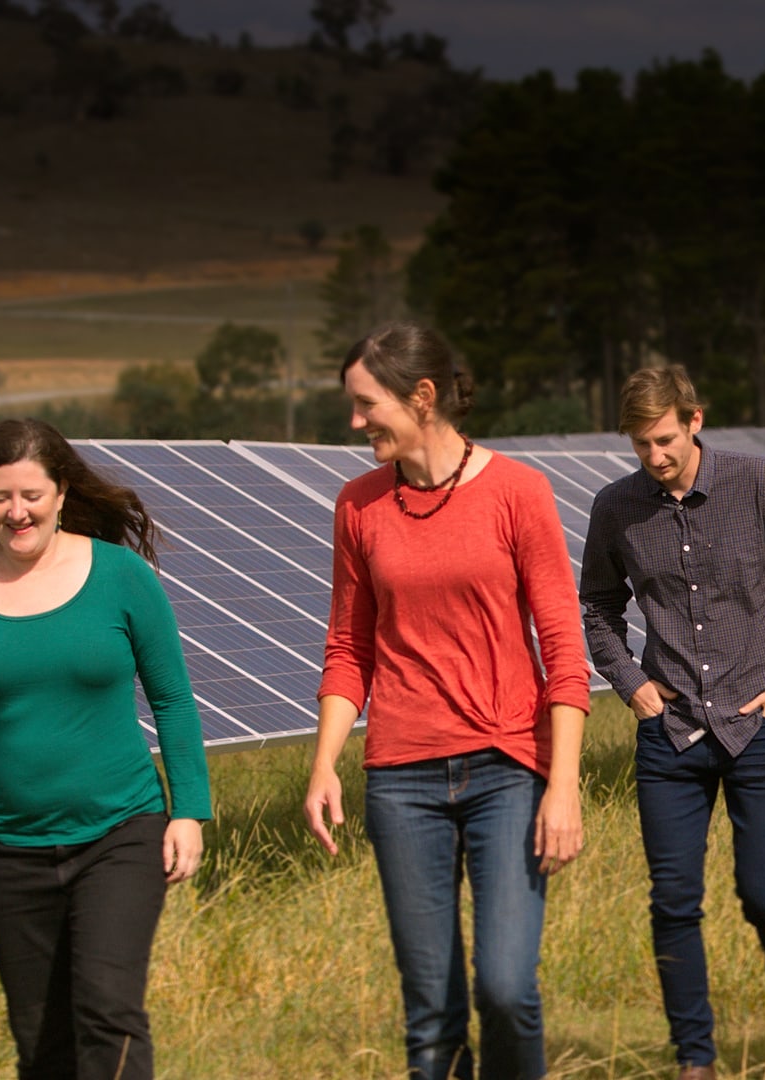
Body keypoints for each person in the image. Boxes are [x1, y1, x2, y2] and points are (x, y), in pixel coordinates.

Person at [0, 417, 211, 1080]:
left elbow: (172, 699)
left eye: (30, 495)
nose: (16, 511)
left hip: (120, 833)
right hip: (6, 849)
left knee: (108, 1013)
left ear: (60, 493)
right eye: (0, 497)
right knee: (41, 1040)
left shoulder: (121, 576)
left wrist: (189, 811)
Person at [303, 322, 592, 1080]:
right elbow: (348, 647)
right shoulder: (358, 506)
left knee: (506, 988)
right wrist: (325, 763)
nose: (357, 422)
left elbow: (564, 649)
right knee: (430, 1009)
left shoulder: (518, 492)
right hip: (402, 779)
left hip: (507, 771)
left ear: (422, 396)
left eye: (367, 405)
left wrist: (563, 786)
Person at [579, 366, 765, 1080]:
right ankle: (695, 1058)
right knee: (672, 901)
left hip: (761, 727)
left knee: (764, 891)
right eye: (640, 446)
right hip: (671, 735)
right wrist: (632, 685)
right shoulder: (617, 508)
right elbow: (598, 609)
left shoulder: (758, 483)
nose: (655, 457)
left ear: (694, 420)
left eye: (664, 439)